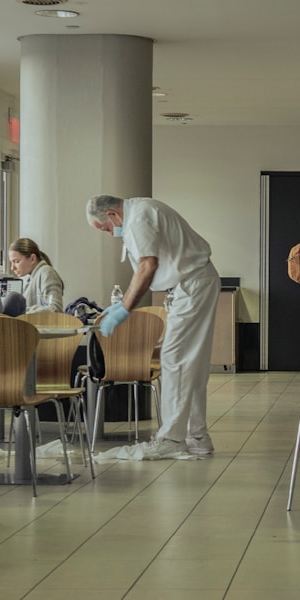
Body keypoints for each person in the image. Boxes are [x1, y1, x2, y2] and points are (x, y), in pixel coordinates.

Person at [87, 194, 220, 460]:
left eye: (105, 229)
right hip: (193, 283)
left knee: (175, 359)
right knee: (189, 362)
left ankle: (171, 438)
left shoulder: (138, 218)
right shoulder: (142, 210)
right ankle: (197, 435)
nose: (109, 233)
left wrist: (125, 307)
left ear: (113, 215)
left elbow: (148, 265)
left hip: (192, 284)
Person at [8, 237, 65, 313]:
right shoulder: (32, 278)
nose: (12, 268)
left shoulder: (47, 273)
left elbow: (55, 308)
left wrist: (21, 311)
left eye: (16, 261)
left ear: (32, 259)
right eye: (11, 262)